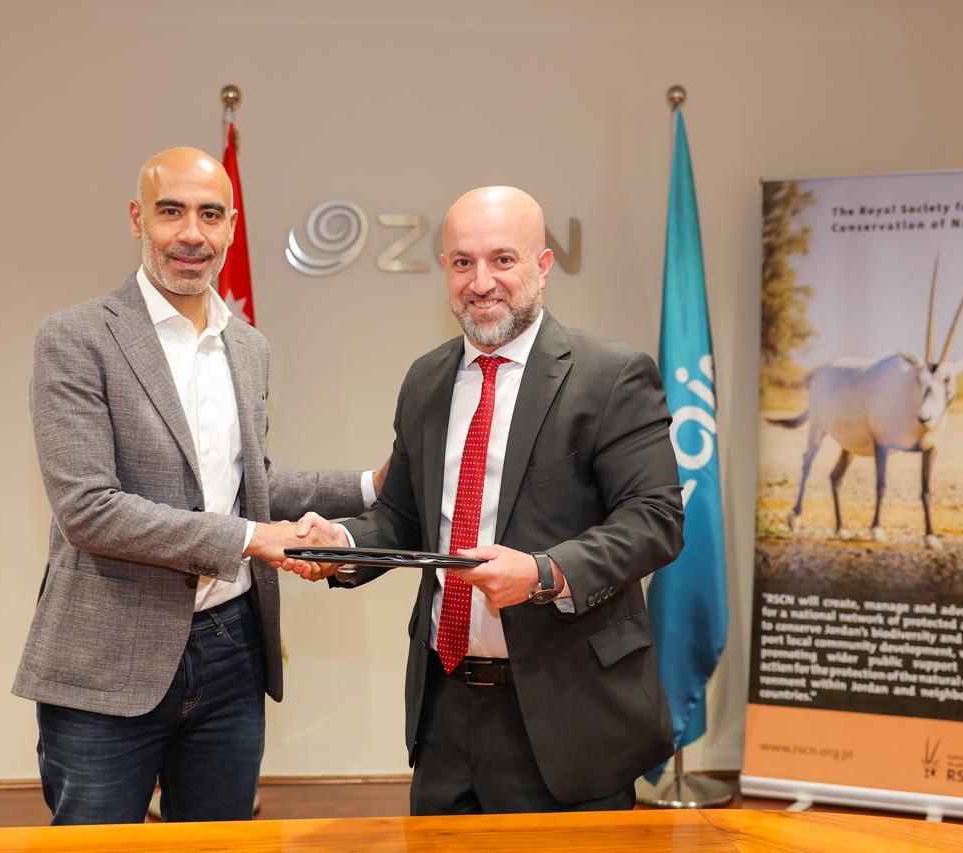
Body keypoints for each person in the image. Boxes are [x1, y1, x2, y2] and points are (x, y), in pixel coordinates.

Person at [286, 186, 684, 814]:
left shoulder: (611, 375)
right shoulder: (426, 379)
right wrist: (343, 543)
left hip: (570, 712)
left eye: (502, 259)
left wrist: (545, 572)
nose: (481, 282)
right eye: (462, 262)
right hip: (443, 708)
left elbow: (655, 519)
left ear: (542, 266)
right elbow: (403, 517)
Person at [13, 147, 377, 825]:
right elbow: (88, 509)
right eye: (171, 211)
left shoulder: (248, 346)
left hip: (232, 650)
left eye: (210, 215)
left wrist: (371, 484)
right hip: (107, 656)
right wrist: (251, 539)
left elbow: (246, 485)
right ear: (137, 218)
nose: (191, 233)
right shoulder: (75, 337)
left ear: (232, 227)